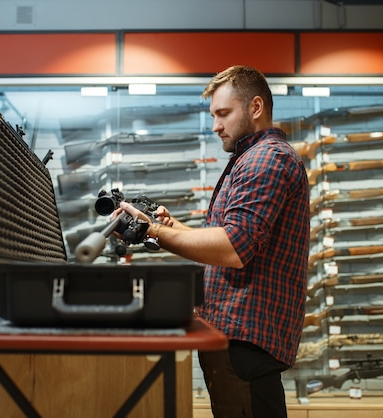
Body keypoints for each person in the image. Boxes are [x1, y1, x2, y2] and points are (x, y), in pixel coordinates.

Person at [117, 65, 310, 418]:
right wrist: (171, 226)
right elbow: (226, 234)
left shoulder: (266, 158)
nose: (215, 125)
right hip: (237, 338)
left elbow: (233, 248)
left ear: (255, 107)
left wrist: (154, 232)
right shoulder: (250, 158)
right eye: (214, 115)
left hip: (246, 341)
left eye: (223, 114)